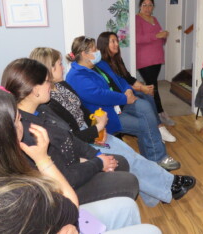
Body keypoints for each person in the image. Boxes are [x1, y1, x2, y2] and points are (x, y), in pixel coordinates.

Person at [0, 87, 161, 234]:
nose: (22, 123)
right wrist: (44, 160)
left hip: (52, 215)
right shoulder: (12, 197)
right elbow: (69, 209)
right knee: (152, 231)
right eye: (17, 119)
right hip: (64, 210)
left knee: (126, 206)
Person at [30, 47, 196, 207]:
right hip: (83, 141)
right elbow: (70, 137)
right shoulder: (47, 102)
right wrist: (96, 130)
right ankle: (171, 185)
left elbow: (82, 109)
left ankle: (160, 191)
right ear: (49, 69)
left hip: (92, 132)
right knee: (129, 159)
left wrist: (97, 123)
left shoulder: (62, 86)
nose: (62, 67)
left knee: (131, 155)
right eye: (59, 64)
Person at [1, 58, 140, 204]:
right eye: (47, 81)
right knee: (129, 181)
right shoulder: (28, 132)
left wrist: (97, 154)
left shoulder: (42, 109)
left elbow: (71, 138)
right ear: (35, 89)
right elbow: (64, 177)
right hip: (64, 189)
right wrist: (98, 163)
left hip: (73, 167)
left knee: (120, 162)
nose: (51, 85)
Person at [65, 36, 181, 171]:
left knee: (146, 106)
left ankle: (153, 158)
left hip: (121, 103)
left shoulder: (100, 64)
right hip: (106, 115)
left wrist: (128, 90)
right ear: (84, 54)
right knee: (145, 124)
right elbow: (99, 95)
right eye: (94, 49)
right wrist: (125, 98)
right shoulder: (75, 76)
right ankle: (157, 158)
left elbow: (119, 79)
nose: (98, 51)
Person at [97, 31, 176, 142]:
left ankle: (159, 127)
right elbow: (116, 86)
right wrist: (140, 88)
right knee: (145, 102)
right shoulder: (101, 64)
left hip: (127, 91)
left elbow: (128, 78)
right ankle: (156, 129)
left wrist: (144, 88)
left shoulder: (117, 59)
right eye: (112, 41)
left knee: (148, 96)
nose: (116, 44)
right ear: (104, 44)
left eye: (117, 41)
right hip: (120, 98)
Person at [136, 0, 175, 127]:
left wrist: (164, 36)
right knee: (152, 86)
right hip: (144, 59)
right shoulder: (137, 19)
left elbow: (160, 38)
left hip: (157, 57)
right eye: (144, 5)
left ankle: (151, 112)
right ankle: (159, 113)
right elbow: (137, 39)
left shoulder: (154, 19)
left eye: (150, 5)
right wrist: (157, 35)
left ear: (153, 7)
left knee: (152, 85)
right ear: (140, 6)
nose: (147, 8)